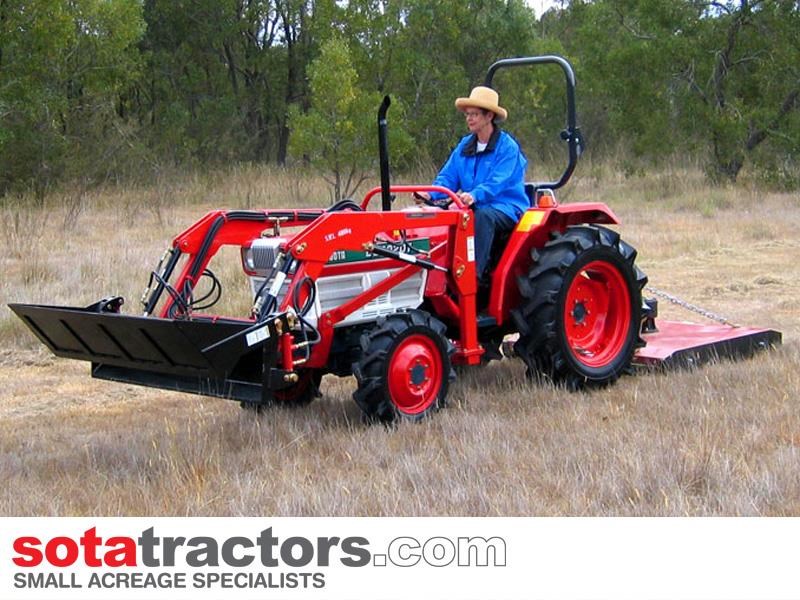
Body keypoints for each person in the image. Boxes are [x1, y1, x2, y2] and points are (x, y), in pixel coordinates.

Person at [415, 86, 529, 282]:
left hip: (505, 207)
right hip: (471, 205)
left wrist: (475, 195)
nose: (469, 118)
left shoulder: (507, 147)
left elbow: (498, 181)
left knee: (482, 217)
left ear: (489, 116)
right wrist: (430, 194)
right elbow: (449, 176)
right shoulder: (465, 145)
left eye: (475, 114)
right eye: (468, 114)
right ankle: (436, 270)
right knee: (437, 215)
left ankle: (471, 278)